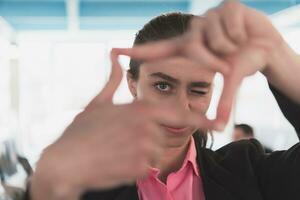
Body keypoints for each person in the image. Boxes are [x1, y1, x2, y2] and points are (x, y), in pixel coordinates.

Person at [26, 1, 300, 200]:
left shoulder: (248, 170)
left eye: (198, 89)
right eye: (162, 85)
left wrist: (278, 55)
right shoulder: (82, 187)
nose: (180, 109)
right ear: (132, 83)